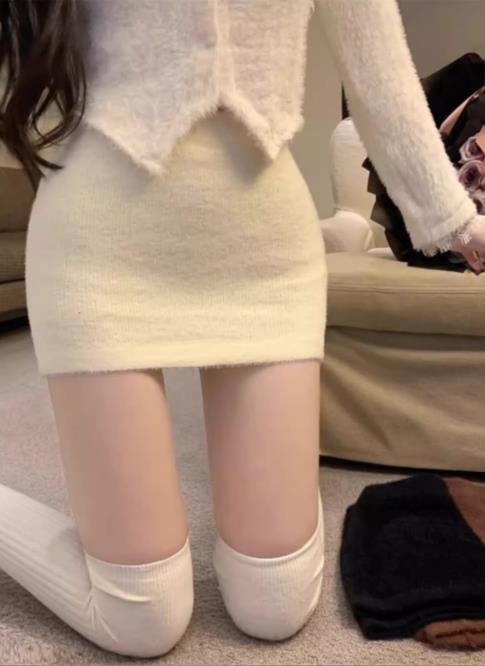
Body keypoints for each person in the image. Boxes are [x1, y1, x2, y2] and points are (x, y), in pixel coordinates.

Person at [0, 0, 484, 658]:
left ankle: (333, 235)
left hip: (264, 253)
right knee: (140, 617)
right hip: (96, 250)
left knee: (274, 604)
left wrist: (457, 224)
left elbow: (381, 75)